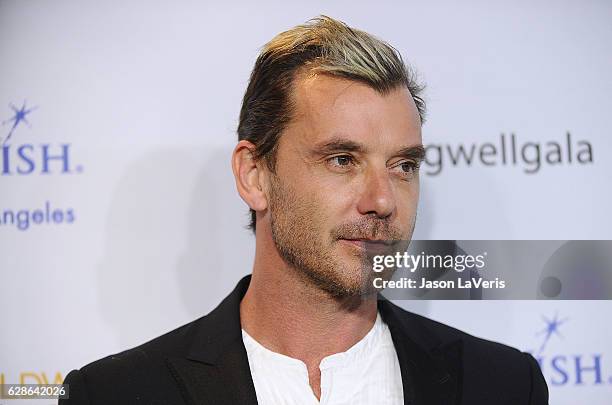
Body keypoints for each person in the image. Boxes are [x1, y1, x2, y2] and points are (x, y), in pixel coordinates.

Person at [60, 16, 549, 405]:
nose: (382, 200)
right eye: (342, 159)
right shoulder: (113, 394)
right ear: (254, 175)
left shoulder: (502, 385)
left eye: (403, 166)